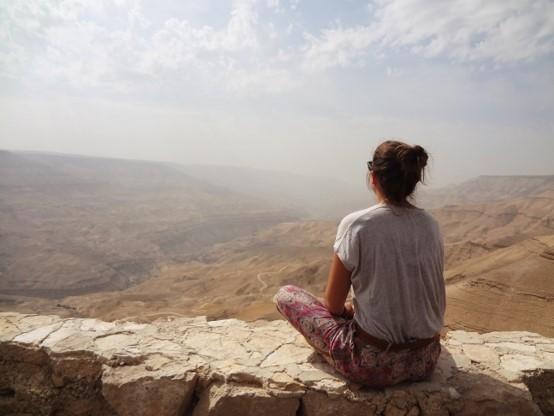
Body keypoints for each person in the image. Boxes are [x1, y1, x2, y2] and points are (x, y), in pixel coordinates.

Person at [272, 140, 446, 388]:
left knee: (286, 295)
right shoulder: (431, 224)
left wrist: (347, 312)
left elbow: (332, 304)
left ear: (373, 176)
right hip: (425, 359)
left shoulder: (358, 225)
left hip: (372, 365)